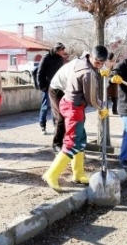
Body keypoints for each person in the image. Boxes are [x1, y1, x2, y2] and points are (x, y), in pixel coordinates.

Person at [42, 46, 109, 192]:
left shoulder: (82, 61)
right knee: (72, 142)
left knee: (80, 139)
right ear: (91, 56)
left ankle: (78, 174)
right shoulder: (88, 72)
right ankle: (51, 174)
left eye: (101, 63)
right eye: (96, 62)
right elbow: (91, 98)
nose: (98, 65)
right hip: (73, 107)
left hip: (71, 104)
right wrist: (102, 107)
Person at [48, 57, 79, 153]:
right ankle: (56, 144)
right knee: (60, 117)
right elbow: (71, 89)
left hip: (65, 90)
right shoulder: (75, 69)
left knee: (70, 117)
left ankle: (68, 143)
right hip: (56, 90)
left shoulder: (83, 67)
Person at [37, 42, 67, 134]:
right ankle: (43, 125)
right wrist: (42, 86)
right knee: (45, 106)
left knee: (57, 107)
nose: (63, 52)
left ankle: (56, 125)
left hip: (58, 87)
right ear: (57, 50)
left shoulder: (61, 59)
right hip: (47, 86)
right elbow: (40, 72)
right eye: (62, 50)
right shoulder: (46, 57)